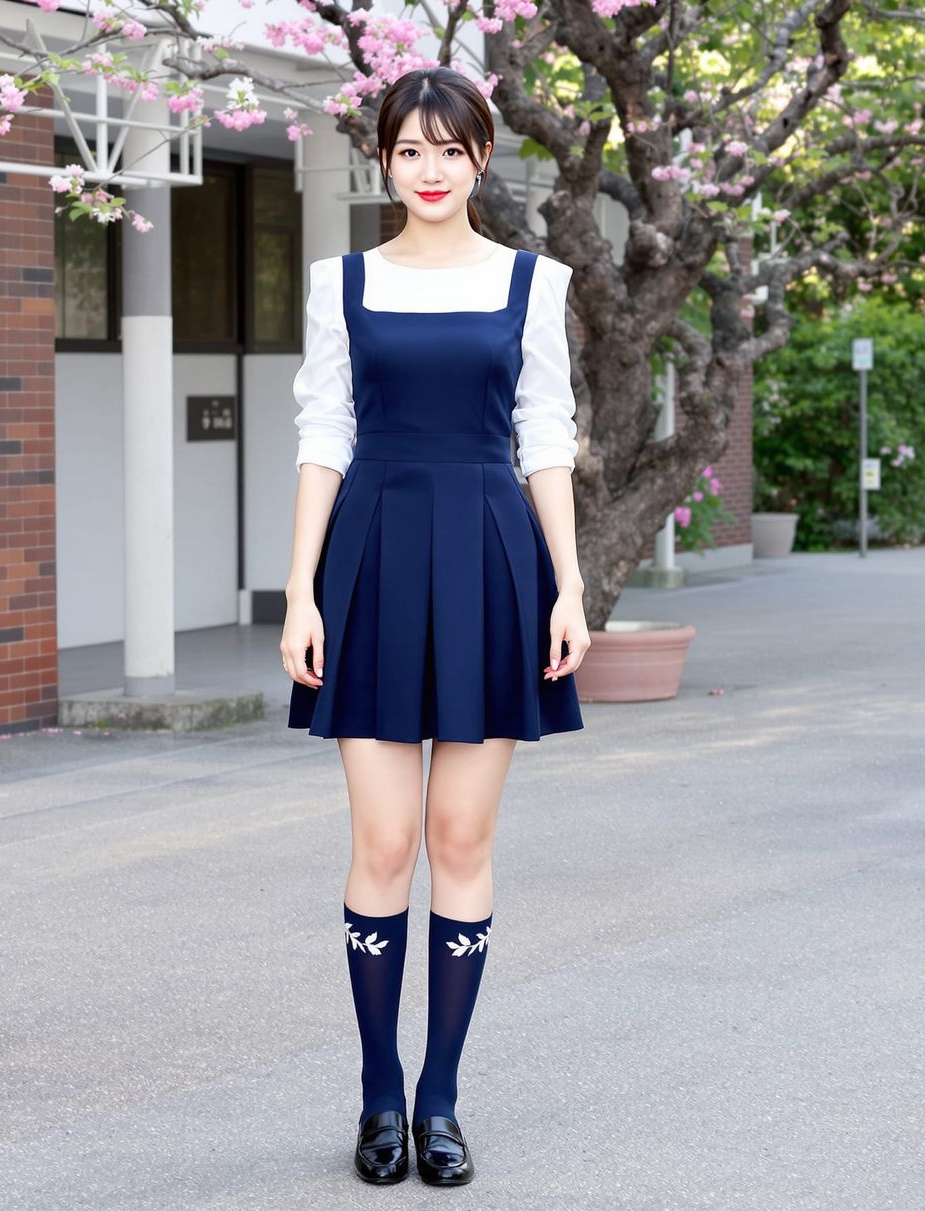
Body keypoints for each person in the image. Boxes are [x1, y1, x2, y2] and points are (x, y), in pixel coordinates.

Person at [279, 65, 588, 1188]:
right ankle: (375, 1096)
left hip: (490, 554)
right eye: (408, 150)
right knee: (384, 843)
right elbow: (326, 432)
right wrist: (302, 588)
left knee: (460, 840)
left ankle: (440, 1102)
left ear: (481, 157)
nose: (428, 170)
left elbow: (544, 435)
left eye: (449, 150)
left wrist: (567, 583)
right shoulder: (341, 282)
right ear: (382, 160)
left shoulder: (532, 284)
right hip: (369, 553)